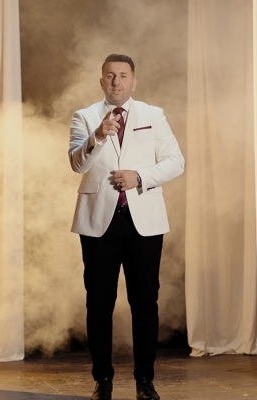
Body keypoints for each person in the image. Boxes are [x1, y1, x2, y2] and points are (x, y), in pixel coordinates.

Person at [68, 54, 184, 400]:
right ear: (101, 81)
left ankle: (145, 381)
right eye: (110, 76)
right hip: (98, 223)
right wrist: (97, 136)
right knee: (98, 305)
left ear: (133, 81)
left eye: (122, 75)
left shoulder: (153, 115)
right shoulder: (85, 116)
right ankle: (102, 381)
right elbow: (76, 164)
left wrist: (140, 177)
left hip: (143, 222)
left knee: (145, 304)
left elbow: (176, 161)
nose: (116, 81)